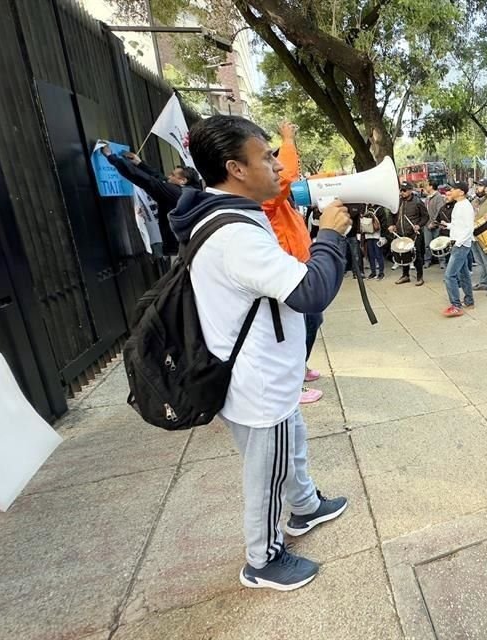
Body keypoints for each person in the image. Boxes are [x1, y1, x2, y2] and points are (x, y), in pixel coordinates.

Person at [170, 114, 351, 591]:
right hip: (256, 380)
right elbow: (309, 292)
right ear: (236, 169)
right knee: (266, 470)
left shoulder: (236, 217)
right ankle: (263, 559)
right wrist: (330, 236)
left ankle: (306, 507)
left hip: (270, 372)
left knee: (290, 447)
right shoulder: (237, 234)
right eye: (267, 156)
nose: (276, 164)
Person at [261, 122, 322, 403]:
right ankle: (293, 382)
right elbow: (288, 176)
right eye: (269, 160)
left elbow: (300, 182)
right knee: (300, 326)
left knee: (310, 320)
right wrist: (287, 140)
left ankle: (300, 366)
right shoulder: (265, 198)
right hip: (289, 272)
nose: (275, 165)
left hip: (298, 267)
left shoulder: (279, 200)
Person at [101, 144, 201, 256]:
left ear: (183, 181)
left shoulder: (176, 193)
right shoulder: (188, 192)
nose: (169, 176)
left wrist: (111, 157)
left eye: (172, 175)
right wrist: (140, 163)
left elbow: (144, 179)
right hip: (185, 247)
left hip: (179, 251)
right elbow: (160, 178)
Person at [442, 181, 476, 317]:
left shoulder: (466, 206)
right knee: (464, 273)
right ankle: (469, 300)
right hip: (459, 242)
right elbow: (459, 225)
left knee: (449, 275)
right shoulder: (459, 205)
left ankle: (456, 305)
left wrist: (459, 243)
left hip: (460, 245)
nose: (450, 191)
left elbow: (469, 227)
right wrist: (448, 226)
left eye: (453, 189)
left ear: (461, 192)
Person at [389, 182, 428, 285]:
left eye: (404, 190)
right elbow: (392, 215)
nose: (402, 192)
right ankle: (405, 275)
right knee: (403, 255)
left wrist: (419, 225)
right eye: (401, 190)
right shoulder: (398, 202)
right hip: (401, 233)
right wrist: (392, 224)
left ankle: (420, 277)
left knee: (417, 255)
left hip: (414, 234)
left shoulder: (417, 202)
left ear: (410, 190)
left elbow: (425, 216)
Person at [422, 179, 447, 267]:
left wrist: (434, 223)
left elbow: (439, 211)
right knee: (427, 244)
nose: (425, 187)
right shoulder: (427, 198)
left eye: (427, 185)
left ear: (431, 186)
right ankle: (427, 260)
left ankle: (442, 261)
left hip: (436, 225)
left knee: (438, 244)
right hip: (427, 225)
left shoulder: (438, 197)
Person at [362, 207, 385, 279]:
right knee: (370, 255)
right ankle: (373, 272)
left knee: (378, 254)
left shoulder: (379, 209)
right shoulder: (365, 207)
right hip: (368, 236)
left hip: (377, 236)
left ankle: (381, 272)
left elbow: (384, 223)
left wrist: (383, 236)